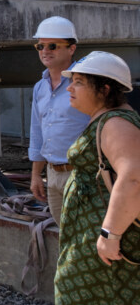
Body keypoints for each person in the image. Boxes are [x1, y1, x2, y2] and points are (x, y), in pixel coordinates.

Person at [54, 51, 140, 305]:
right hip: (92, 237)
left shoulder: (116, 123)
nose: (69, 87)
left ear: (104, 89)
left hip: (109, 243)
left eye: (79, 81)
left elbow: (134, 178)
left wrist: (109, 236)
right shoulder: (107, 118)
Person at [28, 17, 90, 225]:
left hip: (81, 174)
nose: (45, 51)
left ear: (71, 48)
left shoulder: (85, 84)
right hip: (52, 174)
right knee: (64, 233)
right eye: (40, 46)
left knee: (84, 236)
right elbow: (37, 132)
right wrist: (36, 175)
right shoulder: (40, 87)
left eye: (53, 46)